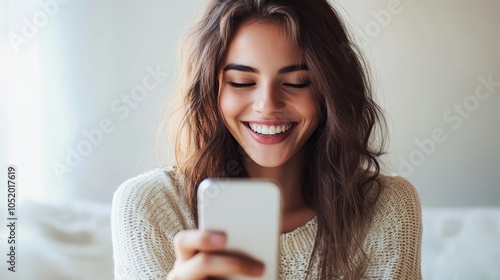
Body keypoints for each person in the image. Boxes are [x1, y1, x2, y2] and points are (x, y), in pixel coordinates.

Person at [111, 0, 423, 279]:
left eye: (296, 82)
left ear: (328, 91)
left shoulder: (387, 207)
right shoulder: (147, 207)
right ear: (210, 90)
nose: (268, 105)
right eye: (241, 82)